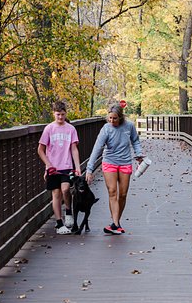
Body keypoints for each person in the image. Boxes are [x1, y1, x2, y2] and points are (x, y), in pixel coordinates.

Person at [86, 104, 145, 235]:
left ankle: (116, 222)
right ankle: (116, 224)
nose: (112, 121)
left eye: (115, 118)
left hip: (125, 162)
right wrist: (89, 169)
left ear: (121, 117)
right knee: (112, 192)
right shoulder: (106, 128)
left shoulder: (129, 126)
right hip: (109, 162)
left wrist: (139, 154)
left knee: (122, 195)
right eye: (110, 118)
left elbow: (135, 141)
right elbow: (97, 147)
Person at [38, 101, 82, 234]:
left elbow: (74, 149)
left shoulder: (71, 129)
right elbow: (40, 150)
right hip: (53, 167)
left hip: (66, 166)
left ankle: (68, 211)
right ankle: (59, 223)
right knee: (56, 194)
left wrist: (78, 167)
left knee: (66, 189)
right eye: (58, 114)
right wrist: (48, 165)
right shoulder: (49, 129)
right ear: (54, 114)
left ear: (66, 114)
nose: (61, 117)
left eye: (63, 114)